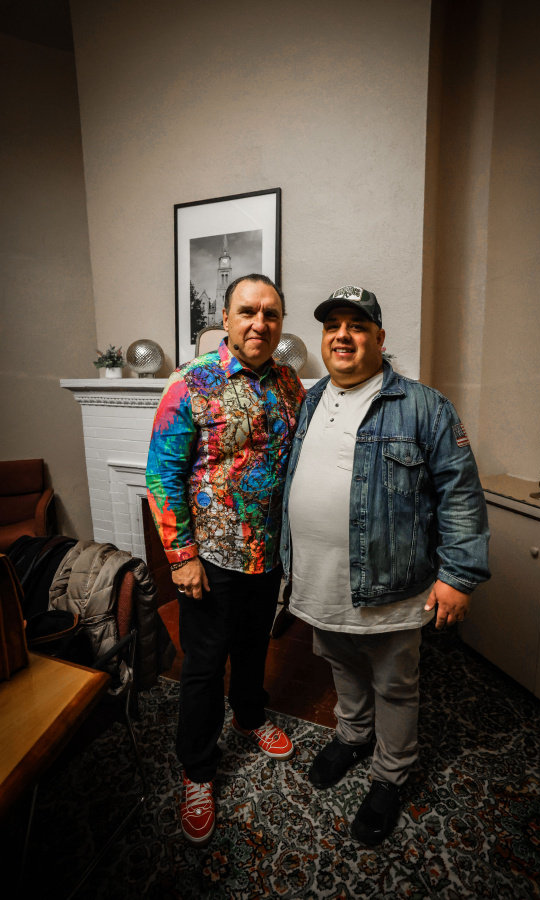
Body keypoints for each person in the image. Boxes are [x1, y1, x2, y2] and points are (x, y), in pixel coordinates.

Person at [280, 285, 490, 847]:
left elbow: (461, 494)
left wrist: (458, 576)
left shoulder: (424, 406)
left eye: (356, 325)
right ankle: (353, 736)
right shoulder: (309, 399)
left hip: (392, 584)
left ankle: (390, 774)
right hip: (317, 577)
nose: (342, 336)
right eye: (333, 326)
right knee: (340, 662)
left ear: (379, 337)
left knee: (395, 683)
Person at [146, 274, 305, 846]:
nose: (260, 323)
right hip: (210, 557)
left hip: (268, 552)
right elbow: (162, 475)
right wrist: (181, 557)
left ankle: (250, 715)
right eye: (248, 311)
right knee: (205, 664)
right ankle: (198, 769)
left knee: (255, 645)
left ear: (280, 323)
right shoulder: (190, 382)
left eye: (271, 314)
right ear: (226, 318)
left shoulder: (290, 383)